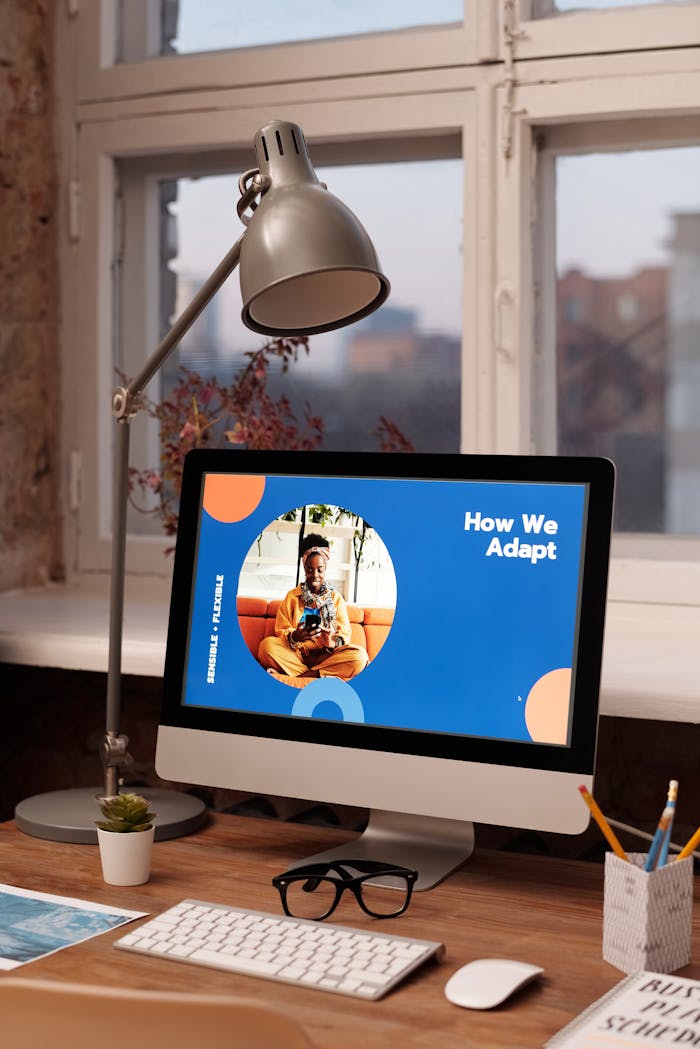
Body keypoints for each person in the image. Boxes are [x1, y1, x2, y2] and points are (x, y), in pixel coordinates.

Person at [258, 533, 368, 681]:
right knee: (266, 647)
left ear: (325, 568)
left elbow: (344, 636)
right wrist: (296, 636)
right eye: (310, 570)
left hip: (327, 657)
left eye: (320, 570)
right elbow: (281, 632)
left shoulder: (336, 599)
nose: (315, 575)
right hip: (297, 656)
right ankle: (317, 675)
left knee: (359, 656)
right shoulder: (292, 597)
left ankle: (301, 677)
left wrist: (331, 642)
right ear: (304, 568)